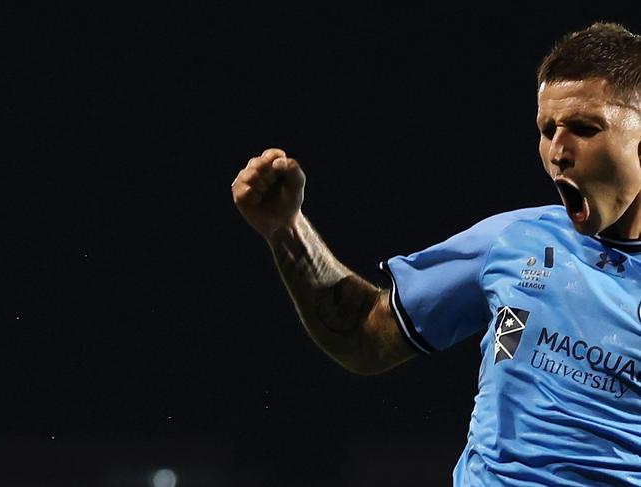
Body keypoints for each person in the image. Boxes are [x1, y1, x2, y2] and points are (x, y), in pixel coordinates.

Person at [231, 21, 641, 485]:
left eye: (585, 129)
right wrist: (287, 230)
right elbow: (365, 337)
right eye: (547, 129)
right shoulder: (512, 241)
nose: (557, 151)